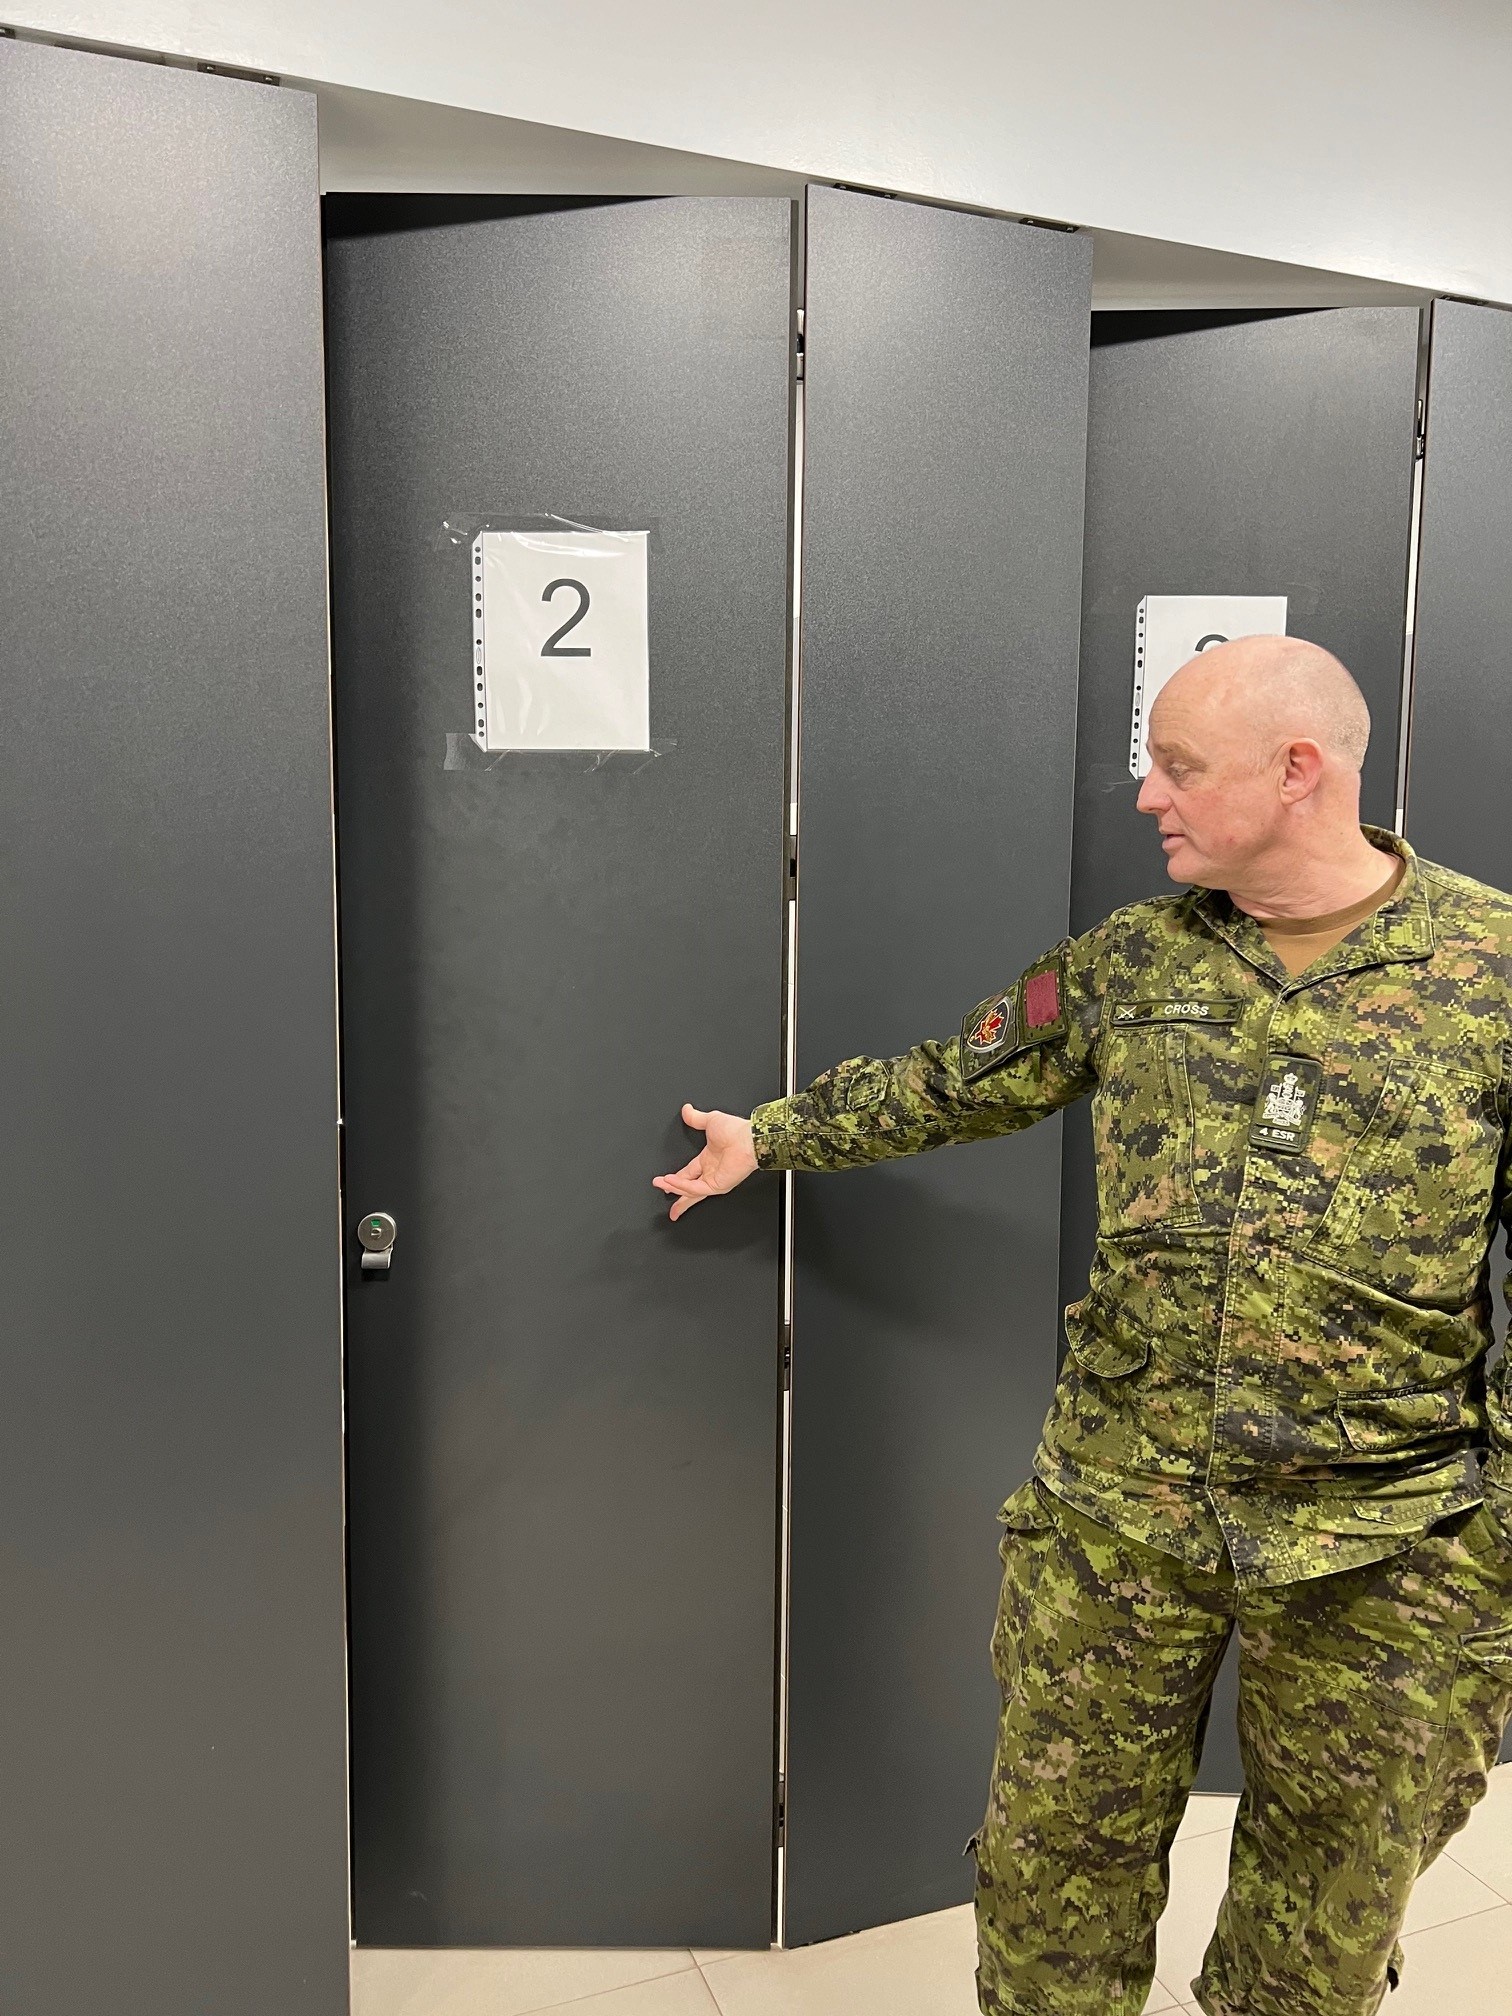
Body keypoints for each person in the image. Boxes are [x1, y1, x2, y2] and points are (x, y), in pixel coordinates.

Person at [654, 634, 1512, 2016]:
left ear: (1299, 772)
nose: (1146, 798)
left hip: (1390, 1541)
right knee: (1056, 1886)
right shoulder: (1131, 961)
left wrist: (1496, 1542)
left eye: (1177, 768)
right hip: (1121, 1514)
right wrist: (774, 1136)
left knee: (1324, 1927)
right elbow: (958, 1078)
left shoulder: (1495, 972)